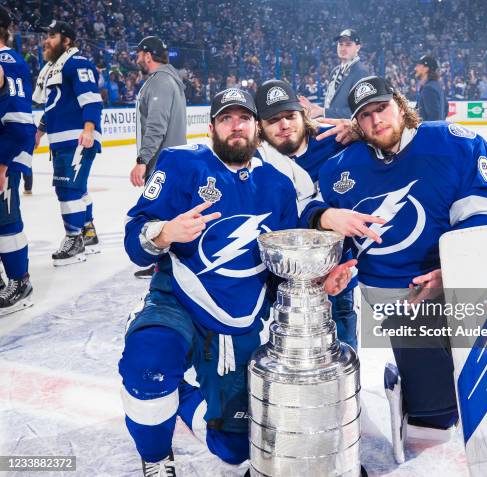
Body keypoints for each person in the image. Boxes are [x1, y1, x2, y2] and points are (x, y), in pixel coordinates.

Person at [120, 88, 354, 475]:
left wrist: (320, 282)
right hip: (178, 300)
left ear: (256, 129)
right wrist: (164, 233)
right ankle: (157, 457)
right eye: (226, 119)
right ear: (211, 127)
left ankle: (177, 395)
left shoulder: (278, 184)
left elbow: (282, 266)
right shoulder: (180, 164)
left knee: (235, 449)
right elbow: (135, 240)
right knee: (149, 364)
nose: (235, 127)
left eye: (243, 118)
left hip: (241, 321)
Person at [304, 76, 487, 452]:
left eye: (382, 109)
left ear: (400, 105)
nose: (376, 121)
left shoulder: (455, 144)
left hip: (456, 283)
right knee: (434, 420)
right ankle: (423, 402)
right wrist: (327, 225)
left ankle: (411, 386)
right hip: (393, 294)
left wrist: (454, 270)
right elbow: (309, 209)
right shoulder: (340, 167)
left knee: (473, 384)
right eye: (365, 115)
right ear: (356, 123)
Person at [255, 79, 380, 350]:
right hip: (285, 277)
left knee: (342, 351)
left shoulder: (334, 139)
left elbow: (390, 146)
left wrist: (360, 130)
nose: (285, 124)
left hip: (338, 272)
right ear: (260, 128)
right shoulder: (255, 159)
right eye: (274, 120)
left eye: (290, 115)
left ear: (302, 113)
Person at [33, 20, 103, 265]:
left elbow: (92, 100)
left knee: (68, 189)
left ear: (67, 40)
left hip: (77, 138)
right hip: (62, 140)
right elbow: (53, 107)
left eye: (52, 36)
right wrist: (40, 132)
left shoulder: (77, 63)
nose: (46, 40)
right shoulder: (54, 69)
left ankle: (74, 240)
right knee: (78, 188)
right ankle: (88, 233)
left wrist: (89, 128)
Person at [129, 35, 187, 279]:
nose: (137, 59)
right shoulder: (162, 79)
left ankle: (165, 265)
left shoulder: (161, 81)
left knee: (160, 215)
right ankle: (159, 262)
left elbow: (156, 125)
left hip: (163, 163)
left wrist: (142, 160)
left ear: (148, 55)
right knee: (162, 215)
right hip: (167, 162)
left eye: (139, 54)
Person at [0, 6, 35, 313]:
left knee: (6, 219)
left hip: (4, 157)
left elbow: (20, 121)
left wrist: (3, 164)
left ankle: (19, 279)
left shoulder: (7, 61)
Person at [299, 28, 369, 119]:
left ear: (358, 47)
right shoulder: (335, 71)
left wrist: (323, 111)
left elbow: (360, 111)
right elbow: (333, 104)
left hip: (348, 131)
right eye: (340, 44)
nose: (343, 48)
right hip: (333, 127)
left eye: (348, 44)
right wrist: (313, 107)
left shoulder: (360, 72)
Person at [414, 55, 448, 121]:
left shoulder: (429, 89)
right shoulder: (436, 86)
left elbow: (434, 117)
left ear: (426, 68)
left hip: (430, 131)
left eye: (418, 66)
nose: (415, 68)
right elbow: (446, 109)